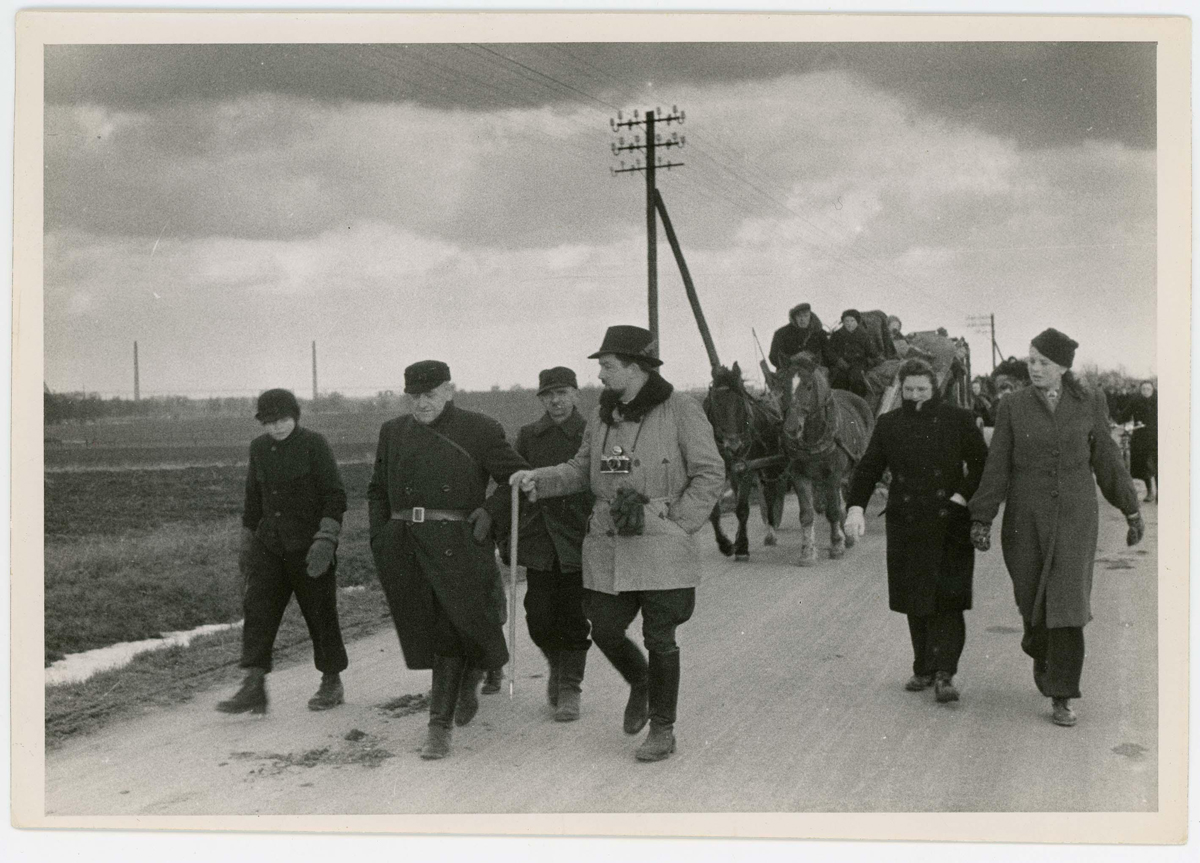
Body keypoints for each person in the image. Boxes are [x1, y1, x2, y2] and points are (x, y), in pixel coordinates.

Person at [510, 326, 725, 762]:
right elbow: (579, 468)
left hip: (662, 543)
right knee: (604, 627)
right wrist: (540, 479)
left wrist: (678, 523)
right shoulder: (602, 415)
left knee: (660, 636)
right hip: (609, 542)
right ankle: (641, 681)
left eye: (607, 366)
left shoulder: (680, 408)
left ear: (636, 367)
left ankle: (663, 730)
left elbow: (709, 472)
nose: (601, 376)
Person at [968, 329, 1144, 728]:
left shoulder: (1089, 402)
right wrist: (982, 516)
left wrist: (1131, 510)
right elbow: (996, 465)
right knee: (1033, 601)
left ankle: (1063, 693)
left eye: (1043, 362)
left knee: (1067, 604)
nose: (1034, 368)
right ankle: (1041, 652)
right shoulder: (1012, 406)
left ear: (1063, 367)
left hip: (1075, 517)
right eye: (1031, 360)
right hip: (1025, 518)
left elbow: (1108, 461)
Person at [367, 360, 529, 760]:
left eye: (430, 395)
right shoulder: (393, 432)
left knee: (451, 628)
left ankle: (438, 724)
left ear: (449, 391)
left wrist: (490, 512)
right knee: (434, 628)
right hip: (406, 544)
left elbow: (520, 480)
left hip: (459, 543)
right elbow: (376, 490)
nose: (421, 404)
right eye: (413, 396)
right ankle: (469, 678)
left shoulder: (480, 429)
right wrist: (380, 536)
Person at [845, 359, 988, 703]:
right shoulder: (889, 424)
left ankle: (945, 673)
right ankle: (923, 667)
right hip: (907, 519)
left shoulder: (958, 419)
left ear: (934, 387)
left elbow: (984, 463)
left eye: (921, 389)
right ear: (900, 389)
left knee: (948, 599)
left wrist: (961, 496)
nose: (914, 396)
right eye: (908, 389)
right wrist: (855, 507)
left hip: (949, 519)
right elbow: (868, 469)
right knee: (915, 597)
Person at [217, 389, 348, 715]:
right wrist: (248, 540)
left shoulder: (314, 444)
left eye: (283, 420)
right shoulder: (259, 448)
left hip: (309, 549)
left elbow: (335, 494)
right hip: (270, 548)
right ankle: (254, 685)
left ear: (296, 416)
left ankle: (331, 681)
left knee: (320, 615)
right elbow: (253, 498)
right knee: (258, 611)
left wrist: (326, 537)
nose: (276, 428)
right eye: (269, 422)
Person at [501, 366, 595, 721]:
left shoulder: (593, 432)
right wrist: (502, 533)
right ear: (541, 399)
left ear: (576, 394)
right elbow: (510, 485)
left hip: (579, 535)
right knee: (538, 616)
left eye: (563, 393)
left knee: (573, 615)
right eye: (548, 395)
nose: (556, 401)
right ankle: (558, 666)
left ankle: (569, 686)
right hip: (540, 537)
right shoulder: (528, 436)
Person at [825, 308, 881, 399]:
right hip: (841, 364)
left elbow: (871, 352)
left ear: (857, 322)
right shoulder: (837, 335)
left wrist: (874, 360)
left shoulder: (864, 336)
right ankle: (839, 403)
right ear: (843, 322)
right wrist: (838, 360)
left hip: (858, 364)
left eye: (852, 320)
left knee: (857, 381)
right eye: (846, 321)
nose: (849, 323)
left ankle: (858, 402)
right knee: (839, 380)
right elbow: (830, 351)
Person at [1119, 380, 1158, 503]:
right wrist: (1119, 420)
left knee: (1158, 464)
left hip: (1157, 437)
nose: (1146, 391)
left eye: (1148, 389)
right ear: (1140, 390)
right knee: (1144, 465)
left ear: (1153, 390)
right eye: (1143, 389)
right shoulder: (1136, 401)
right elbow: (1124, 415)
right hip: (1141, 438)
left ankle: (1160, 493)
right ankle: (1150, 491)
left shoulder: (1160, 401)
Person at [768, 302, 828, 370]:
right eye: (799, 316)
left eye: (805, 315)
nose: (802, 319)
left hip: (814, 371)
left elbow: (828, 355)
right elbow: (773, 357)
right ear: (794, 317)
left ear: (810, 316)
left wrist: (812, 360)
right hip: (789, 371)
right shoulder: (781, 334)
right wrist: (792, 359)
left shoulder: (820, 333)